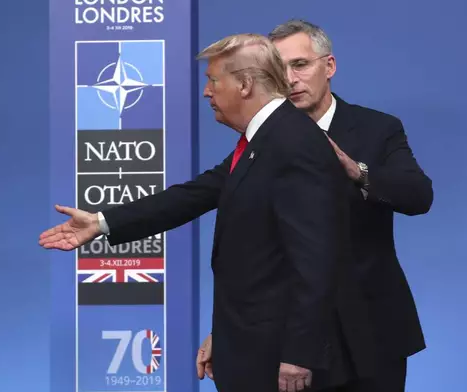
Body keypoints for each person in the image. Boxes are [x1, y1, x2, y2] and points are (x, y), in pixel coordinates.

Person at [40, 33, 353, 392]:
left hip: (278, 360)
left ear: (245, 84)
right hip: (252, 348)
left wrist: (299, 353)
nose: (207, 92)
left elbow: (316, 260)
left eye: (213, 80)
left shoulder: (293, 143)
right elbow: (191, 196)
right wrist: (100, 222)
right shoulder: (266, 140)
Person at [197, 19, 434, 392]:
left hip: (370, 331)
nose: (289, 79)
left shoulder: (377, 128)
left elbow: (419, 195)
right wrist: (224, 333)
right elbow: (252, 251)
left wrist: (358, 172)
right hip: (292, 339)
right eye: (279, 68)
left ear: (330, 66)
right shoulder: (262, 140)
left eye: (300, 65)